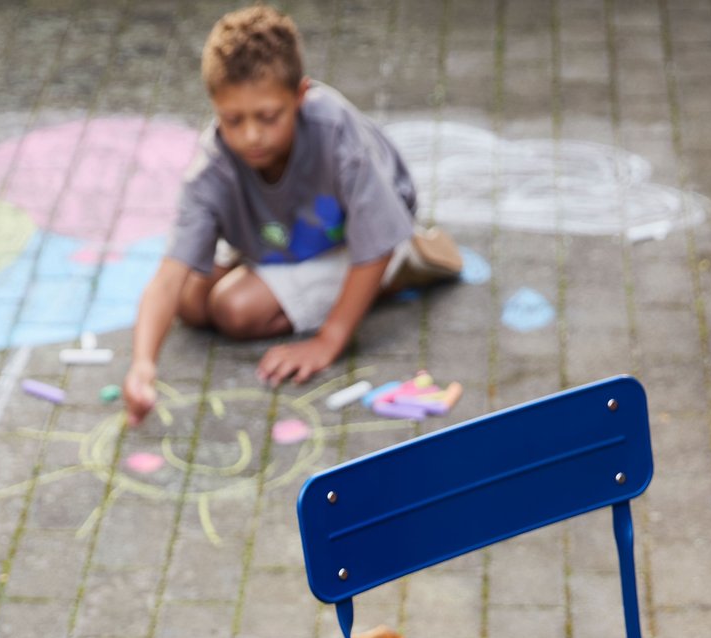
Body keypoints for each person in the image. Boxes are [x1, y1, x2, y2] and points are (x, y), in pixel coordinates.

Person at [124, 3, 462, 426]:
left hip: (370, 241)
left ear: (301, 96)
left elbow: (372, 242)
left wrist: (329, 339)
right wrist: (142, 365)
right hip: (286, 239)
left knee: (234, 310)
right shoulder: (212, 168)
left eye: (268, 117)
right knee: (191, 300)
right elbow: (169, 277)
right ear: (214, 107)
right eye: (232, 119)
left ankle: (403, 266)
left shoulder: (334, 131)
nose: (251, 135)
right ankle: (330, 280)